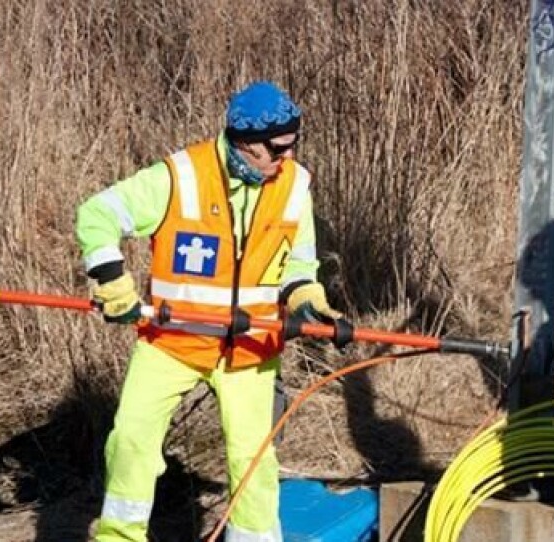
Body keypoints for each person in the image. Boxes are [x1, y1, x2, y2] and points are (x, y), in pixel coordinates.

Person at [76, 80, 350, 542]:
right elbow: (97, 214)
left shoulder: (294, 187)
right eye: (278, 148)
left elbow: (298, 266)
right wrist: (111, 279)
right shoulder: (181, 177)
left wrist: (308, 300)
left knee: (253, 461)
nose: (288, 156)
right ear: (246, 142)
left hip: (250, 349)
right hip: (172, 342)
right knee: (131, 440)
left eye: (293, 145)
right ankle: (120, 536)